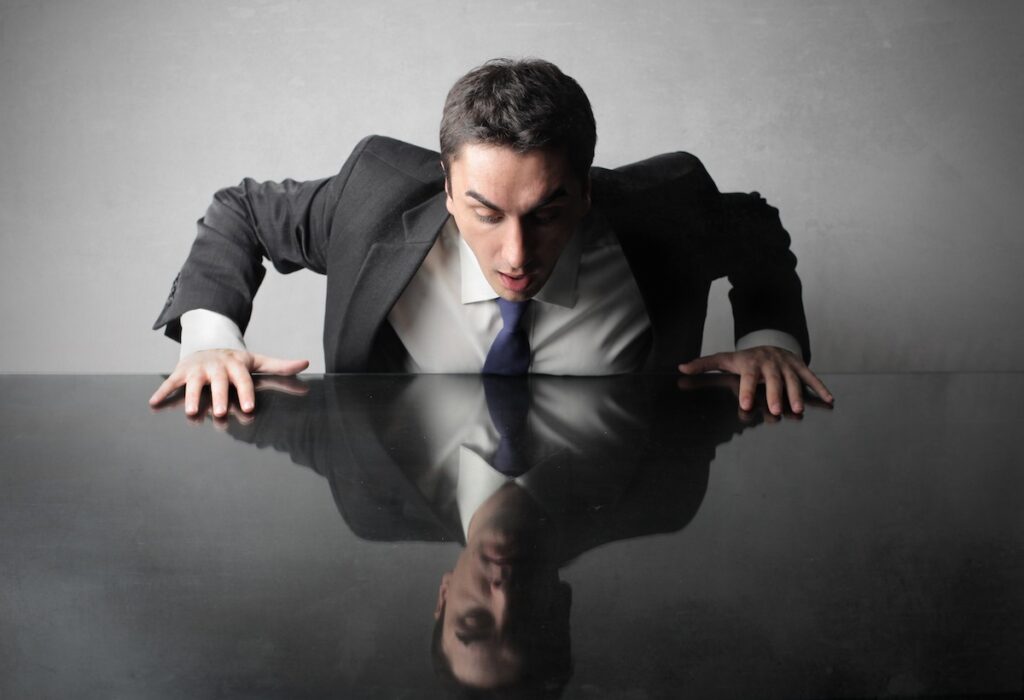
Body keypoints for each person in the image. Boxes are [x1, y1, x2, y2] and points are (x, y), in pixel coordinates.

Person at [149, 58, 833, 417]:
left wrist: (769, 342)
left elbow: (756, 232)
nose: (516, 255)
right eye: (484, 212)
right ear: (447, 188)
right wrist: (212, 343)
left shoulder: (670, 207)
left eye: (545, 213)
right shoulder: (371, 200)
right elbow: (241, 210)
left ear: (587, 190)